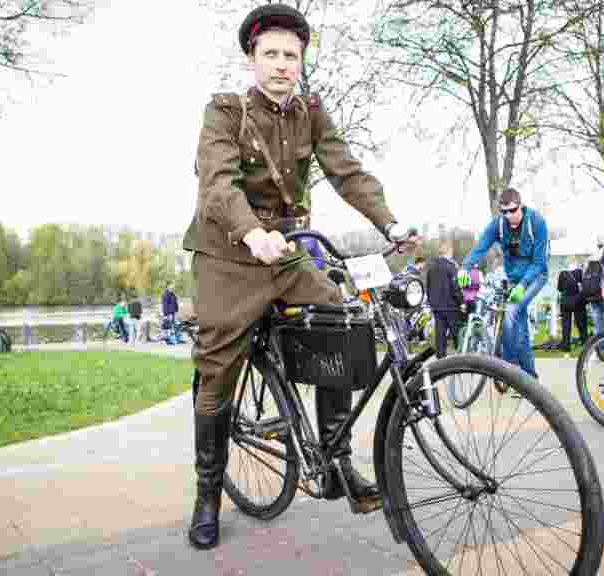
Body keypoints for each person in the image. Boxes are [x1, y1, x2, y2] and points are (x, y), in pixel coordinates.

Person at [182, 4, 414, 551]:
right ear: (252, 58)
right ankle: (207, 495)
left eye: (292, 55)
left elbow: (346, 171)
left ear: (301, 60)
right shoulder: (224, 110)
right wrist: (249, 231)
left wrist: (391, 221)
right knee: (218, 366)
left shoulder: (311, 112)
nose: (283, 64)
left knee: (339, 322)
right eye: (272, 54)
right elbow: (217, 185)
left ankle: (334, 462)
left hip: (285, 252)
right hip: (228, 255)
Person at [457, 187, 549, 378]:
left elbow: (540, 262)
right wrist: (465, 267)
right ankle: (529, 377)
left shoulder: (537, 222)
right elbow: (480, 248)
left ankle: (507, 370)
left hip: (535, 277)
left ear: (521, 206)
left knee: (511, 312)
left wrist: (523, 285)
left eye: (512, 210)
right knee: (520, 328)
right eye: (504, 211)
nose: (508, 216)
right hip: (514, 279)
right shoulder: (497, 225)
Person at [426, 241, 462, 358]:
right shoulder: (451, 267)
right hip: (450, 304)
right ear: (449, 251)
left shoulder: (431, 266)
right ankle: (460, 354)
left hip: (436, 305)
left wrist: (431, 302)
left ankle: (440, 356)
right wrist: (461, 300)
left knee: (440, 331)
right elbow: (455, 286)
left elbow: (428, 286)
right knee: (456, 330)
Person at [556, 266, 588, 350]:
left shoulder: (562, 273)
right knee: (581, 322)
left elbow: (559, 288)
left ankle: (566, 344)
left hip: (565, 302)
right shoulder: (579, 272)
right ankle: (585, 341)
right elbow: (585, 285)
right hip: (578, 301)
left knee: (566, 323)